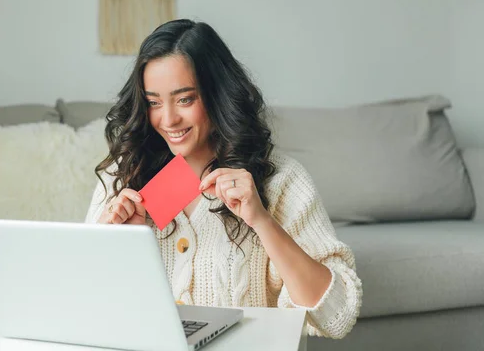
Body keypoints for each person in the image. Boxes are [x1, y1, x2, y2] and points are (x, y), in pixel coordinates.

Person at [85, 19, 362, 339]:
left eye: (185, 99)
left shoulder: (281, 180)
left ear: (218, 95)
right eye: (154, 102)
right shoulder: (122, 175)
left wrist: (261, 221)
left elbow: (337, 317)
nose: (169, 119)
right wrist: (114, 247)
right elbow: (85, 309)